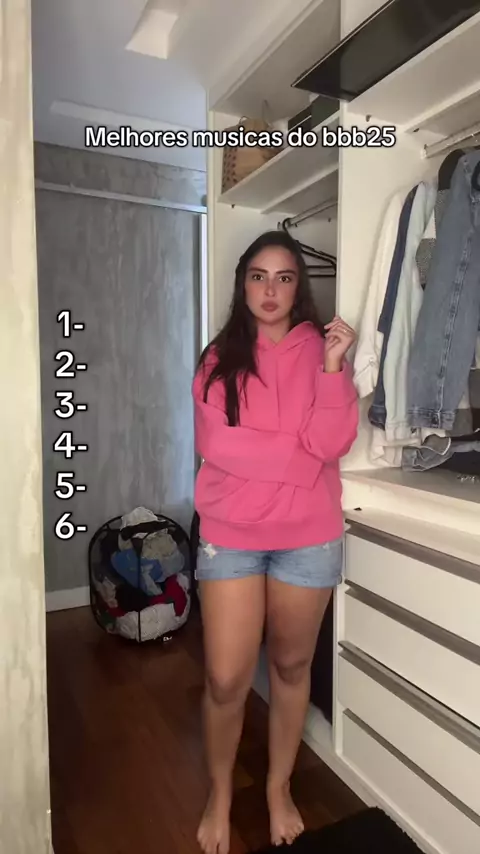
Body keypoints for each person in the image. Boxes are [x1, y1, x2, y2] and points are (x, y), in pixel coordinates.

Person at [192, 230, 358, 854]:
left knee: (290, 667)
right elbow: (217, 444)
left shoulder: (323, 351)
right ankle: (219, 793)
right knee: (225, 678)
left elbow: (332, 441)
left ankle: (277, 787)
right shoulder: (218, 359)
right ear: (243, 285)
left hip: (307, 538)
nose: (270, 290)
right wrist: (300, 457)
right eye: (258, 276)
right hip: (231, 537)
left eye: (284, 277)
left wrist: (334, 369)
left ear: (299, 287)